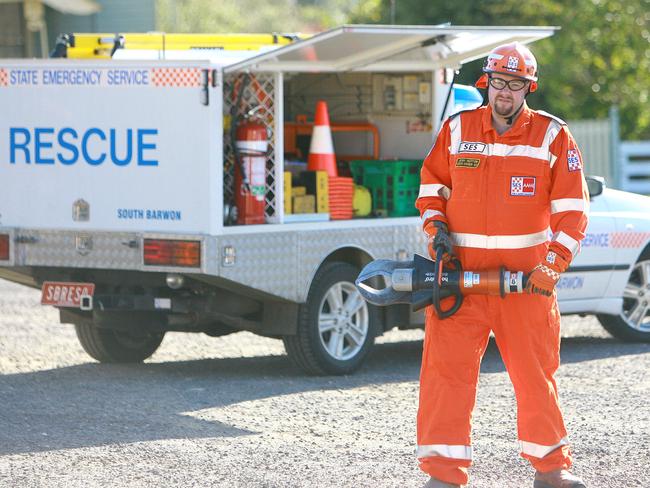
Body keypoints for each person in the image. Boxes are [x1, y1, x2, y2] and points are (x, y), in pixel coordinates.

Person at [415, 42, 589, 488]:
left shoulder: (552, 136)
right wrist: (437, 233)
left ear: (528, 88)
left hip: (526, 286)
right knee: (445, 377)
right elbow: (432, 186)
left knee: (535, 378)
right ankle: (444, 475)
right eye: (498, 82)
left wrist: (553, 265)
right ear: (485, 83)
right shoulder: (457, 130)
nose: (504, 92)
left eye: (514, 84)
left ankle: (551, 470)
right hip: (459, 281)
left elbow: (573, 210)